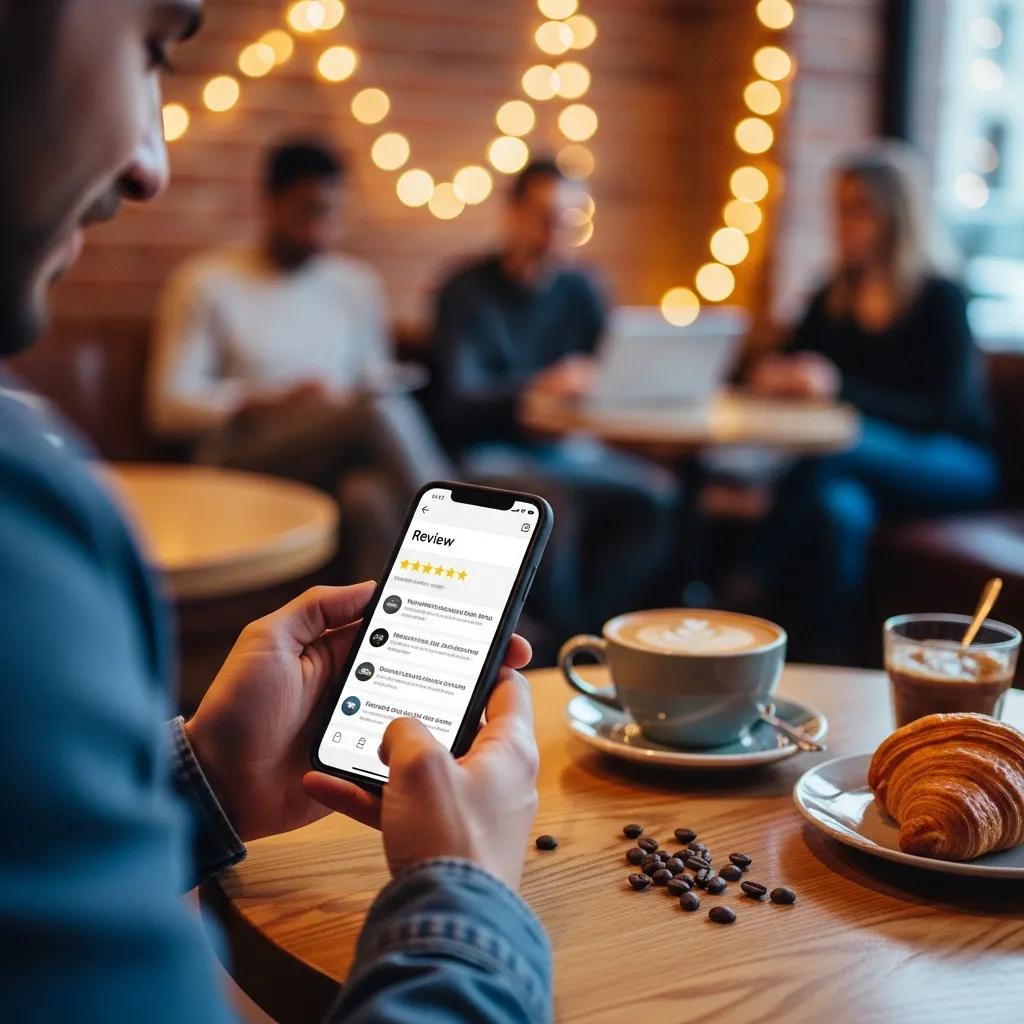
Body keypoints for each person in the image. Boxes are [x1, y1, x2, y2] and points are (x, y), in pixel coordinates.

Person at [0, 3, 550, 1022]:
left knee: (366, 475)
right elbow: (175, 403)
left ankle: (437, 591)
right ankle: (487, 596)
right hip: (240, 441)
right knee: (377, 418)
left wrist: (200, 777)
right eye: (152, 52)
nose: (147, 162)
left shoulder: (346, 287)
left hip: (338, 452)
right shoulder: (33, 504)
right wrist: (465, 894)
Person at [744, 141, 999, 663]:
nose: (843, 223)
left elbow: (943, 412)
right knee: (840, 512)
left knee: (839, 447)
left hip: (954, 463)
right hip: (860, 471)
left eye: (858, 209)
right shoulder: (834, 292)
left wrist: (838, 388)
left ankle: (746, 585)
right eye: (839, 207)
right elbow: (790, 359)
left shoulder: (940, 297)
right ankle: (821, 661)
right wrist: (776, 374)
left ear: (894, 216)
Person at [432, 160, 680, 637]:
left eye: (570, 221)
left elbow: (609, 379)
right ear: (513, 214)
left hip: (569, 450)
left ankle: (590, 634)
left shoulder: (582, 289)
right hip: (489, 450)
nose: (556, 233)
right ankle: (562, 641)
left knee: (658, 497)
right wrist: (535, 390)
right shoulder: (465, 290)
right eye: (545, 217)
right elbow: (457, 406)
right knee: (551, 501)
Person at [147, 138, 432, 501]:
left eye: (332, 213)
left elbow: (370, 379)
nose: (321, 229)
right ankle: (469, 538)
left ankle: (445, 552)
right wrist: (270, 401)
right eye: (309, 211)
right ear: (269, 203)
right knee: (377, 415)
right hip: (240, 451)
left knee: (366, 497)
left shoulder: (358, 285)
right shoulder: (206, 282)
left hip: (336, 445)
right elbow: (168, 409)